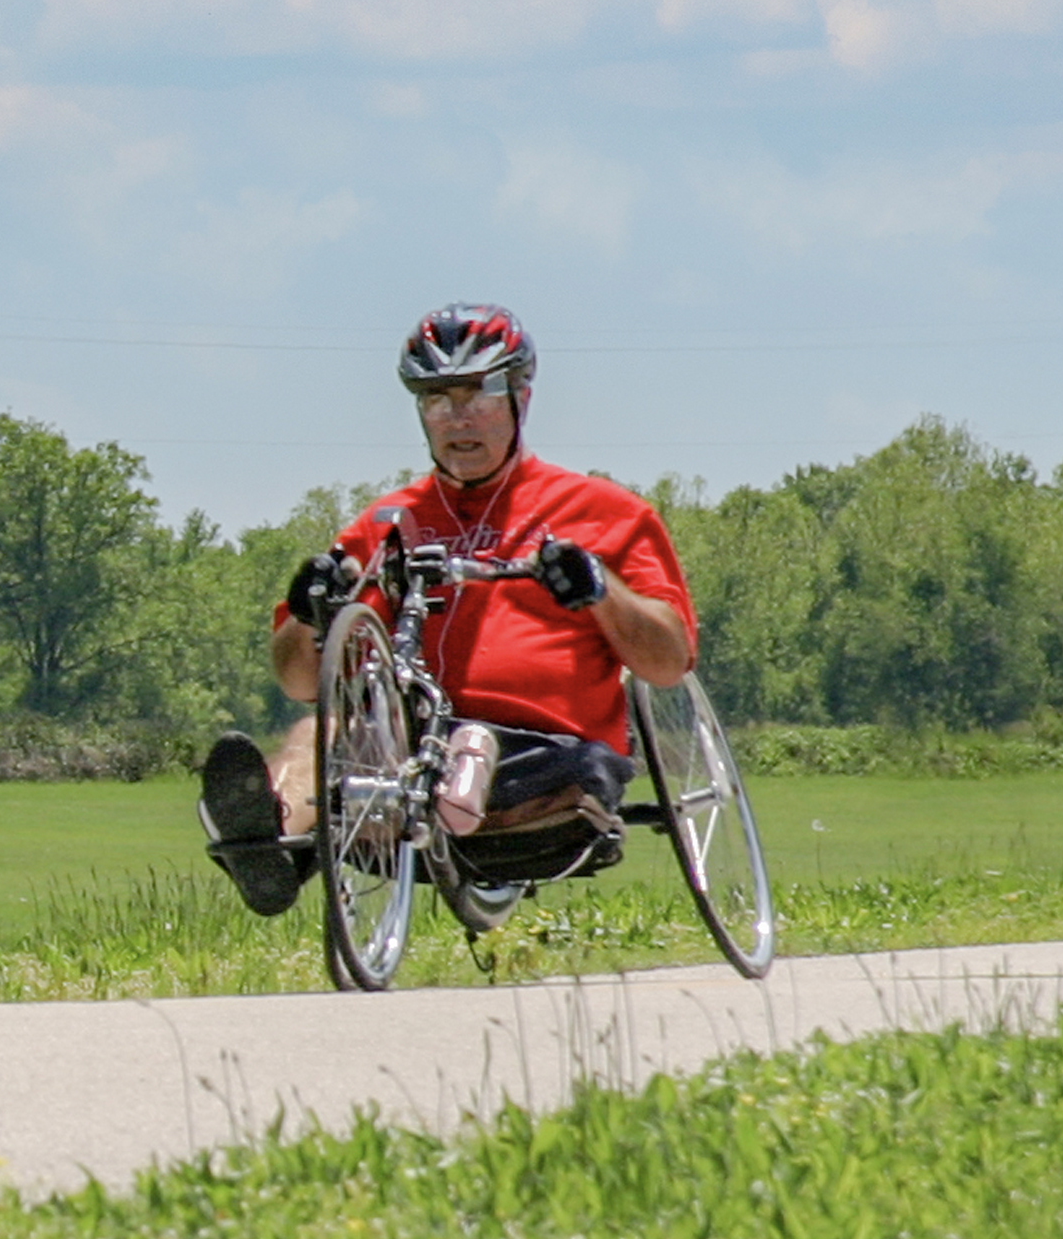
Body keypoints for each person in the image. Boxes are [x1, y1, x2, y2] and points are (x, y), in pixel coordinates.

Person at [201, 303, 697, 915]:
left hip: (546, 758)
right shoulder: (387, 523)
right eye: (437, 399)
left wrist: (600, 589)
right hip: (408, 753)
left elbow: (669, 661)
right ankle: (269, 842)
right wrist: (309, 610)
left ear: (520, 396)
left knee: (470, 758)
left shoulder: (607, 514)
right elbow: (301, 679)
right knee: (316, 731)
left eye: (478, 395)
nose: (458, 418)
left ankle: (444, 794)